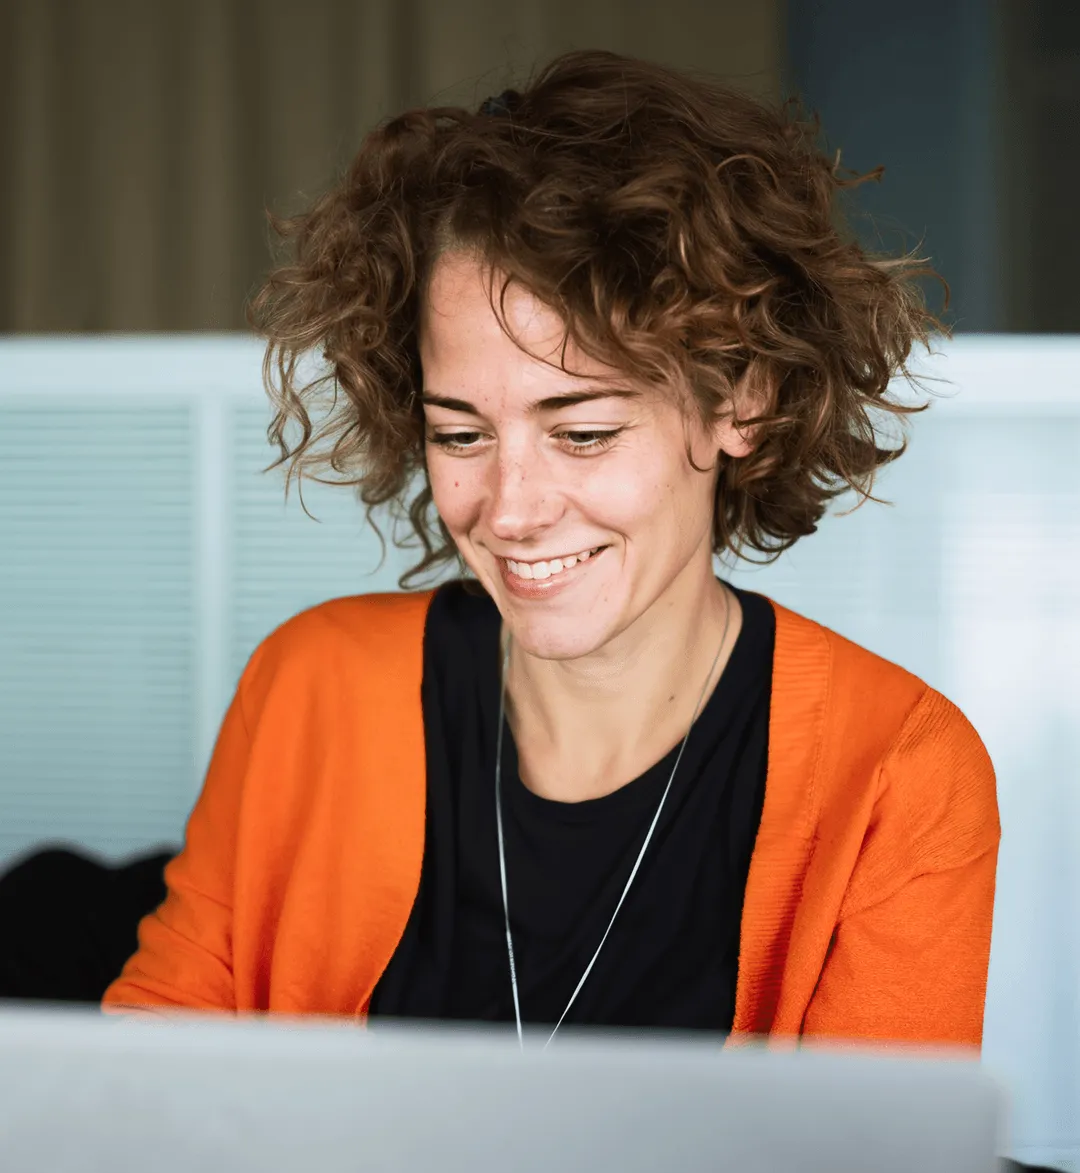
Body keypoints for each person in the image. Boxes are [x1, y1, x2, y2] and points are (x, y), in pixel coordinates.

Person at [102, 49, 1001, 1049]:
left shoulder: (899, 772)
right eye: (460, 434)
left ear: (741, 399)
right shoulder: (310, 685)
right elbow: (147, 1090)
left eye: (582, 433)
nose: (512, 510)